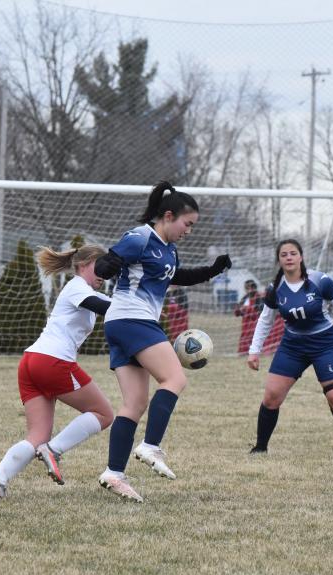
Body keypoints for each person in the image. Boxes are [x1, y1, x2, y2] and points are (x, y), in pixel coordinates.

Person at [93, 181, 231, 502]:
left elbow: (176, 276)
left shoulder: (167, 249)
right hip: (133, 319)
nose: (189, 230)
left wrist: (212, 270)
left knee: (135, 403)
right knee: (175, 378)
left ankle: (114, 473)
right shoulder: (141, 236)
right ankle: (150, 446)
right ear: (168, 216)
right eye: (188, 224)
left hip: (122, 323)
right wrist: (107, 265)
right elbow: (108, 261)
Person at [0, 244, 115, 498]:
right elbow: (105, 306)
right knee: (103, 413)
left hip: (32, 361)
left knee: (36, 436)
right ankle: (53, 450)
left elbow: (116, 306)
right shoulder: (77, 286)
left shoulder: (84, 289)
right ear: (84, 264)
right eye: (102, 266)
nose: (105, 273)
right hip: (52, 361)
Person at [246, 239, 333, 458]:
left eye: (293, 253)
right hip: (292, 346)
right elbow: (265, 320)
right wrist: (254, 350)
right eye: (284, 254)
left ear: (301, 257)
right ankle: (260, 448)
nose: (288, 257)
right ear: (279, 260)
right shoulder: (275, 288)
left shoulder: (319, 280)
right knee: (271, 396)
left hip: (325, 344)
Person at [234, 279, 263, 355]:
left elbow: (260, 312)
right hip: (245, 324)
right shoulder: (245, 298)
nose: (248, 290)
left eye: (250, 288)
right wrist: (238, 310)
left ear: (254, 288)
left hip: (255, 324)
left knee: (253, 338)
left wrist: (246, 309)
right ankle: (243, 352)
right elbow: (237, 312)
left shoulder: (259, 298)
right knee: (244, 338)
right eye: (247, 288)